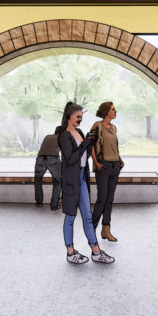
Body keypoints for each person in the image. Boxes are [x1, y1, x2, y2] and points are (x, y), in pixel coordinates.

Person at [57, 102, 115, 264]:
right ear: (69, 116)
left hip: (82, 177)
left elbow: (84, 156)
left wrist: (89, 142)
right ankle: (70, 252)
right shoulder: (64, 135)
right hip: (70, 181)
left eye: (81, 117)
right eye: (77, 117)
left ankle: (95, 251)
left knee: (88, 217)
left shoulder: (80, 132)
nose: (80, 120)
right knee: (70, 217)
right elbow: (71, 158)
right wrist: (85, 143)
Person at [91, 101, 124, 242]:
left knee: (109, 199)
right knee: (102, 199)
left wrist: (119, 159)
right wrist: (96, 163)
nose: (115, 111)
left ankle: (106, 230)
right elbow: (91, 146)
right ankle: (91, 230)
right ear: (106, 112)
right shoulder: (97, 126)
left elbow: (113, 146)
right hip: (103, 166)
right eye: (113, 109)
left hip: (115, 165)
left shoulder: (114, 128)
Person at [34, 128, 61, 210]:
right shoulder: (61, 138)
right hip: (53, 159)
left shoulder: (47, 136)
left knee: (38, 180)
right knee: (57, 182)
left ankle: (39, 202)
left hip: (40, 159)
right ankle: (54, 206)